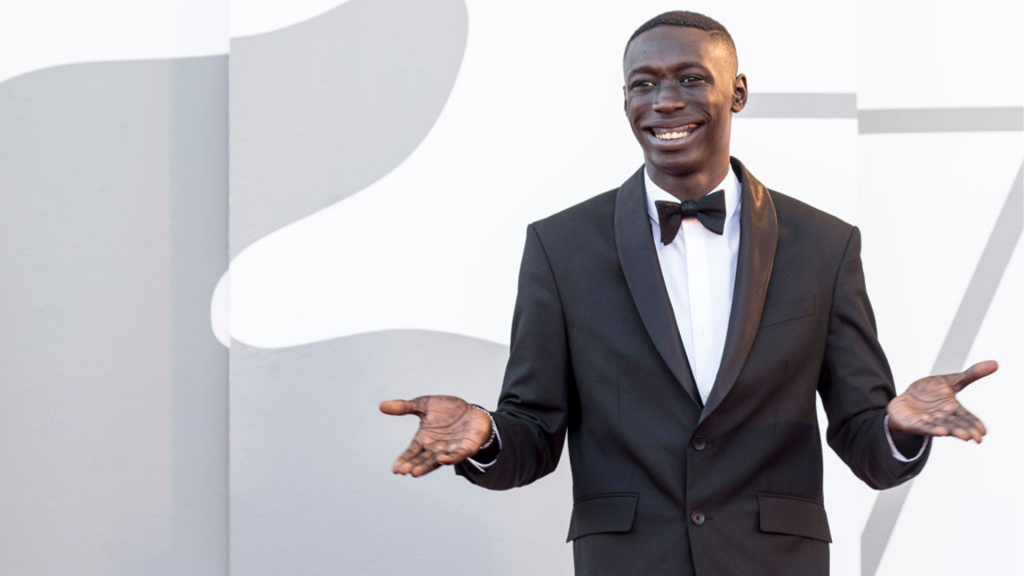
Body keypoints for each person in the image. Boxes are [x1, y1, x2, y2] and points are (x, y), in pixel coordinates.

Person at [379, 11, 995, 576]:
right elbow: (533, 434)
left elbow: (866, 443)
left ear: (738, 92)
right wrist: (485, 434)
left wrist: (899, 427)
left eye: (691, 79)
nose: (665, 101)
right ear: (625, 100)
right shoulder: (559, 247)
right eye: (643, 84)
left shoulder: (824, 245)